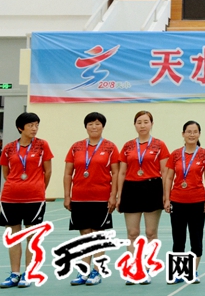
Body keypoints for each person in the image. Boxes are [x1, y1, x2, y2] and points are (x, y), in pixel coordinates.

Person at [63, 112, 119, 286]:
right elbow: (68, 173)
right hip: (79, 197)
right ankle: (84, 271)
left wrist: (113, 195)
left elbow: (116, 173)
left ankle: (97, 271)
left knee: (98, 235)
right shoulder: (76, 147)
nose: (94, 127)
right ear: (85, 126)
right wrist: (67, 195)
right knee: (85, 235)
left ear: (103, 126)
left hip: (101, 197)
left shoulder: (110, 147)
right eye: (90, 124)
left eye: (97, 124)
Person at [0, 112, 53, 289]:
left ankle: (28, 274)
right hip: (10, 198)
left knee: (32, 237)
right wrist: (16, 185)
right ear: (20, 128)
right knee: (14, 237)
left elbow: (48, 171)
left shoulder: (42, 145)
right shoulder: (9, 148)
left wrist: (38, 187)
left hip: (34, 198)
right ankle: (14, 274)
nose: (34, 128)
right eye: (30, 125)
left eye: (36, 125)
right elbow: (6, 173)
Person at [116, 110, 170, 282]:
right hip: (131, 189)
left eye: (146, 122)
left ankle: (147, 268)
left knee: (150, 232)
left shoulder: (160, 145)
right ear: (135, 125)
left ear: (151, 124)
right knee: (132, 233)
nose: (142, 125)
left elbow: (165, 172)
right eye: (139, 122)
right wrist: (118, 195)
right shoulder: (128, 146)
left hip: (153, 188)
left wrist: (166, 195)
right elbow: (121, 172)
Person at [164, 121, 205, 284]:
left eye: (195, 131)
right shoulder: (176, 154)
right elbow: (169, 177)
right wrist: (167, 198)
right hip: (177, 201)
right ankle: (178, 272)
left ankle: (193, 271)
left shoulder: (204, 154)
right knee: (178, 239)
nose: (192, 134)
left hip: (197, 201)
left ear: (199, 134)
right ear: (183, 134)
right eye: (189, 131)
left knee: (196, 238)